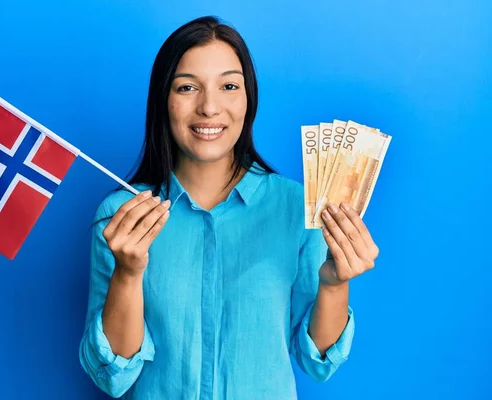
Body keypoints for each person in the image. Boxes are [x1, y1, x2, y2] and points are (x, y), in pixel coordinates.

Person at [79, 15, 380, 400]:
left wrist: (336, 284)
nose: (209, 107)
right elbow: (113, 377)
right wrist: (128, 273)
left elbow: (317, 361)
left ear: (248, 98)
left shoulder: (298, 207)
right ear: (163, 100)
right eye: (187, 87)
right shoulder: (120, 216)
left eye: (229, 86)